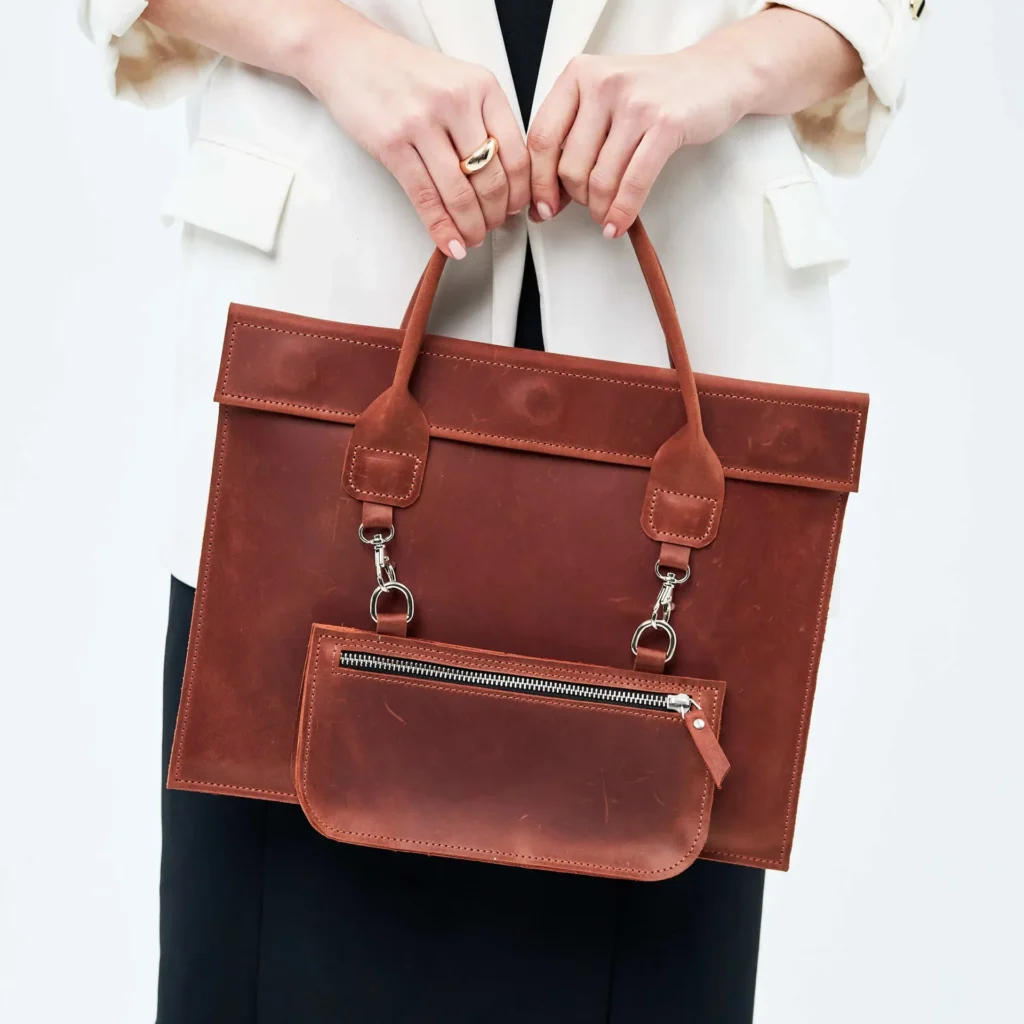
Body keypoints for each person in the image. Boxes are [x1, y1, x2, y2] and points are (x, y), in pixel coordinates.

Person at [78, 1, 920, 1020]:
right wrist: (329, 46)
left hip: (684, 316)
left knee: (652, 889)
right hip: (318, 361)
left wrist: (727, 70)